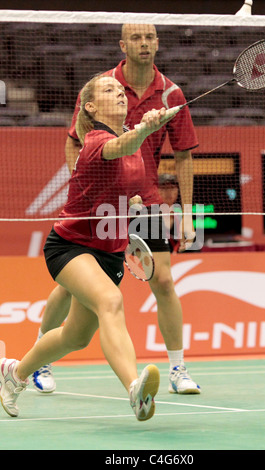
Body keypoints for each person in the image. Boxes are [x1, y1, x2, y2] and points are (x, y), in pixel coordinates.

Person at [33, 23, 201, 395]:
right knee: (70, 288)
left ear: (158, 43)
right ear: (123, 44)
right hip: (99, 206)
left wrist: (188, 213)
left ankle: (178, 368)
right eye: (136, 38)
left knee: (165, 281)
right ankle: (40, 357)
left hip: (145, 200)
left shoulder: (171, 93)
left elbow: (185, 156)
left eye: (150, 37)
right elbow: (78, 141)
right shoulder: (101, 88)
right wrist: (87, 188)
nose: (144, 43)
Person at [0, 74, 172, 421]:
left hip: (108, 252)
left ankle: (13, 374)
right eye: (109, 91)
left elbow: (124, 186)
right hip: (70, 246)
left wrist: (132, 202)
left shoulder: (130, 143)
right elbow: (119, 148)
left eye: (120, 90)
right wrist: (144, 130)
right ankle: (134, 390)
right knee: (110, 301)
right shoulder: (95, 139)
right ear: (91, 107)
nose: (120, 94)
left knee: (75, 337)